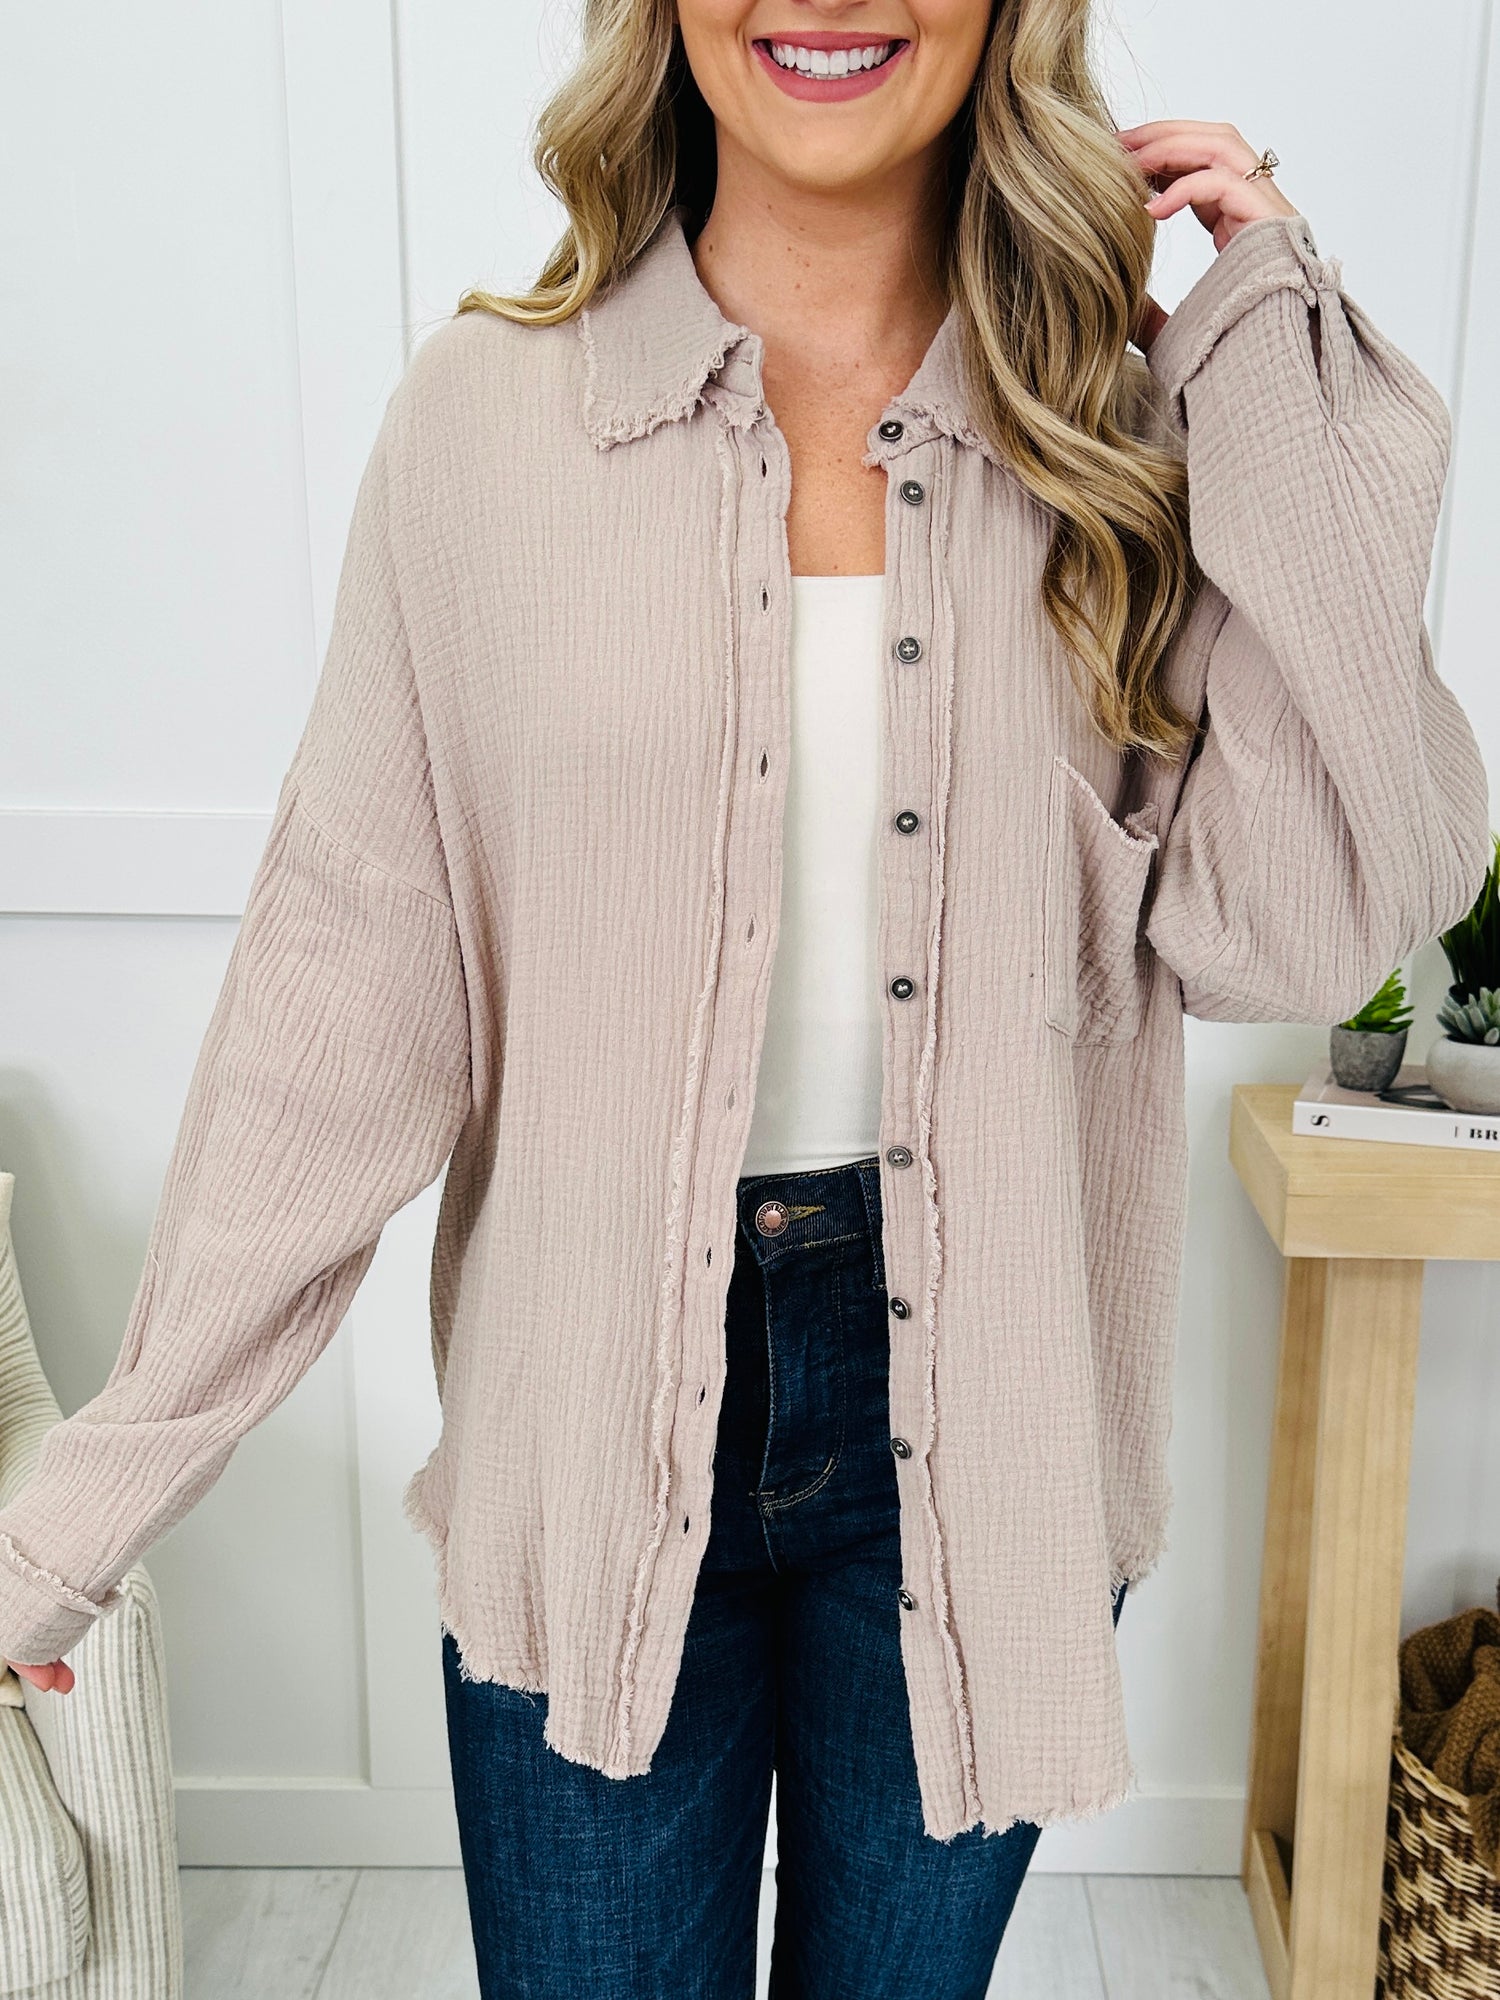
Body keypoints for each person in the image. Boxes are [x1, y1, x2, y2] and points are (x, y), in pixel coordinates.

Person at [2, 2, 1490, 1995]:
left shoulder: (1121, 442)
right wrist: (68, 1522)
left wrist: (1280, 383)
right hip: (582, 1410)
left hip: (992, 1419)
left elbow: (1295, 931)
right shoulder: (481, 427)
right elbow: (337, 1009)